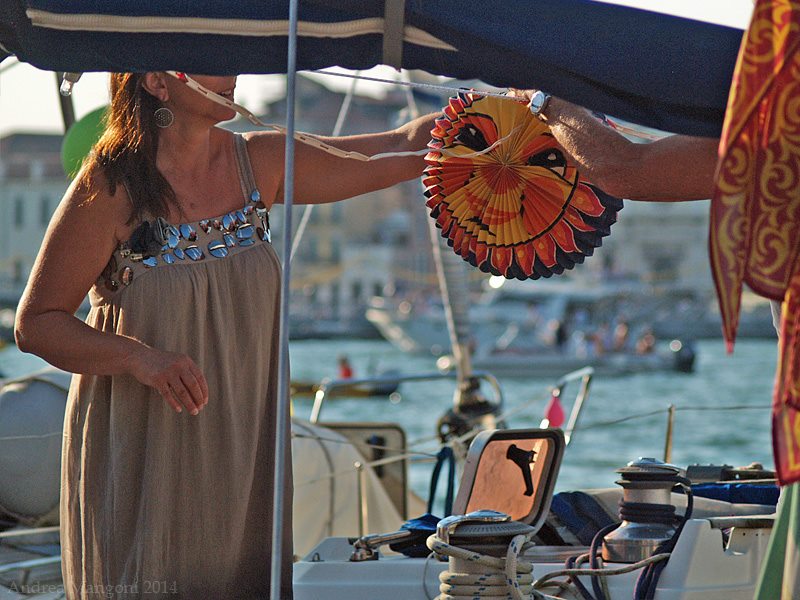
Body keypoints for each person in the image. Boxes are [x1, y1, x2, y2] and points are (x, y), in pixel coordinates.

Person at [13, 72, 436, 599]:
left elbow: (401, 147)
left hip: (245, 446)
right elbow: (37, 323)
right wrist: (141, 359)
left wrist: (504, 118)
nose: (230, 73)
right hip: (146, 448)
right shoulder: (110, 183)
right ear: (158, 82)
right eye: (209, 62)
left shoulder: (258, 161)